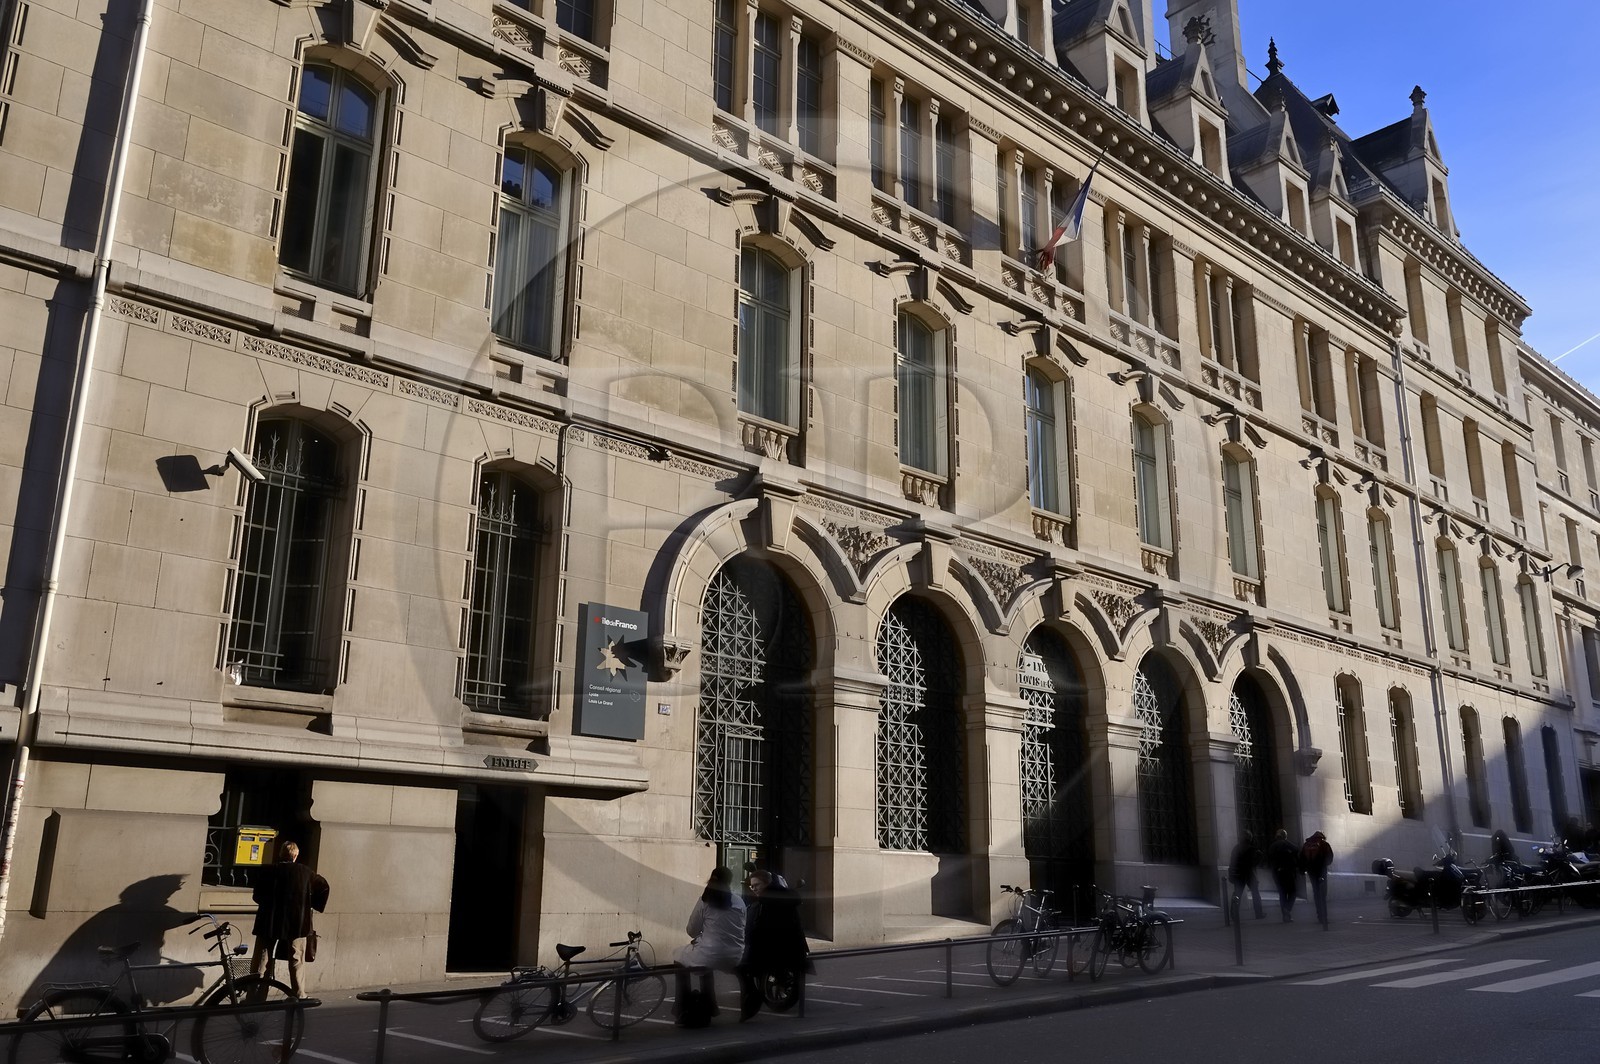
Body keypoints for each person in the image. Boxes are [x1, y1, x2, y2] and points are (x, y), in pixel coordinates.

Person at [251, 840, 328, 998]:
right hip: (296, 922)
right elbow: (324, 886)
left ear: (280, 854)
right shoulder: (305, 872)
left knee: (262, 959)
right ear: (296, 855)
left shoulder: (268, 871)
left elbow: (257, 895)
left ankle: (255, 995)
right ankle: (299, 994)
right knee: (296, 958)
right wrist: (310, 904)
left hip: (269, 921)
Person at [673, 866, 746, 1025]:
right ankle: (710, 1006)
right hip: (735, 954)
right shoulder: (739, 901)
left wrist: (703, 936)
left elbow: (692, 930)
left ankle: (682, 1006)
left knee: (679, 957)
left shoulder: (705, 901)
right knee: (705, 962)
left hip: (710, 953)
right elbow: (742, 927)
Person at [738, 870, 809, 1020]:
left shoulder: (767, 901)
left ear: (767, 884)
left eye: (756, 885)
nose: (754, 889)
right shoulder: (786, 897)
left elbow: (762, 929)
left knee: (742, 966)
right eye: (752, 886)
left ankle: (752, 998)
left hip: (775, 950)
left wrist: (748, 942)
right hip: (795, 948)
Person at [1300, 831, 1333, 929]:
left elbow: (1301, 858)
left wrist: (1304, 869)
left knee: (1316, 892)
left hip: (1311, 872)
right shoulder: (1324, 844)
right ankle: (1324, 918)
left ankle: (1319, 915)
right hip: (1321, 872)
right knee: (1323, 894)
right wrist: (1324, 865)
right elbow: (1330, 858)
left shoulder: (1307, 844)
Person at [1227, 832, 1264, 921]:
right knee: (1255, 894)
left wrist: (1232, 872)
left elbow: (1232, 862)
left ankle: (1234, 914)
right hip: (1249, 873)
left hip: (1239, 874)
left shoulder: (1236, 848)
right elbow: (1255, 861)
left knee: (1237, 894)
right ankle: (1258, 913)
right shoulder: (1251, 849)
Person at [1266, 829, 1299, 922]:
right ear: (1285, 836)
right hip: (1287, 871)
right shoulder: (1286, 844)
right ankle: (1287, 909)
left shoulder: (1272, 846)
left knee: (1282, 893)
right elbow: (1296, 849)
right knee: (1293, 892)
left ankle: (1285, 915)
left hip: (1277, 872)